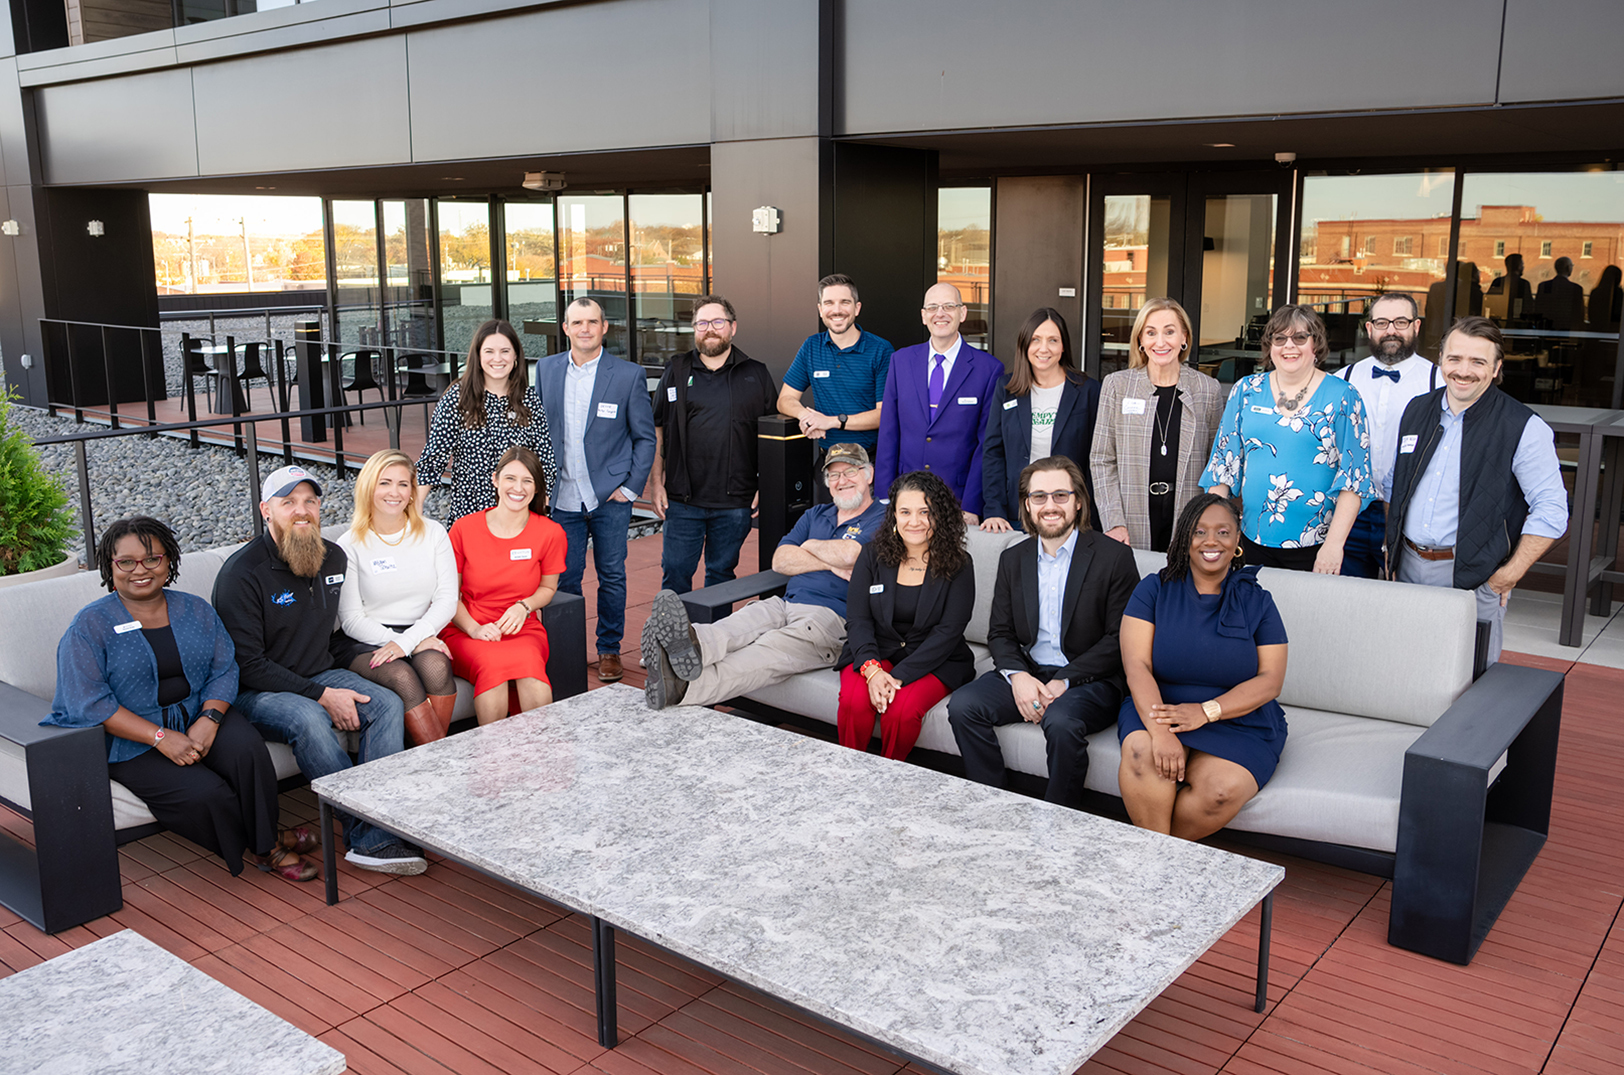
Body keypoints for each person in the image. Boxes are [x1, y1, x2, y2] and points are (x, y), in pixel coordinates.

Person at [48, 517, 317, 883]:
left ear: (169, 561)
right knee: (206, 794)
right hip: (130, 740)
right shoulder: (89, 626)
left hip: (195, 714)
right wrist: (160, 738)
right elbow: (90, 703)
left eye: (152, 559)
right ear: (110, 567)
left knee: (247, 751)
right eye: (126, 562)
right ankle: (264, 841)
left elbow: (224, 668)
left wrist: (209, 719)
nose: (140, 570)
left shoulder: (195, 610)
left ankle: (266, 844)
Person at [213, 465, 423, 876]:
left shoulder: (332, 557)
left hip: (317, 673)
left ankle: (384, 819)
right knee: (309, 718)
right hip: (256, 691)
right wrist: (323, 696)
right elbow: (247, 665)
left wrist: (407, 643)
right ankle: (370, 836)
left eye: (310, 500)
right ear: (266, 510)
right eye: (288, 502)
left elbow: (336, 634)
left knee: (385, 703)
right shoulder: (242, 574)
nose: (302, 510)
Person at [947, 456, 1139, 808]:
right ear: (1027, 505)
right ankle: (995, 806)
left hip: (1090, 680)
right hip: (1031, 670)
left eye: (1060, 495)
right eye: (1039, 497)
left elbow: (1120, 639)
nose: (1050, 506)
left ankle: (1057, 818)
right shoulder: (1014, 558)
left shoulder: (1114, 558)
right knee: (964, 705)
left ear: (1078, 501)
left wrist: (1063, 682)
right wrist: (1018, 676)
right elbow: (1000, 632)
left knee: (1060, 720)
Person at [642, 444, 886, 709]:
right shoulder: (815, 514)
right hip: (785, 604)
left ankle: (682, 688)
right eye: (834, 475)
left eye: (850, 471)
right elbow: (780, 560)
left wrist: (808, 545)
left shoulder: (883, 518)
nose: (842, 480)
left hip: (830, 618)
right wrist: (829, 562)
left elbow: (851, 554)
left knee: (764, 651)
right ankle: (683, 647)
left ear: (869, 474)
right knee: (734, 626)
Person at [1385, 317, 1567, 664]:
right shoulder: (1417, 410)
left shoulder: (1523, 426)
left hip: (1475, 577)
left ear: (1496, 368)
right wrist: (1391, 549)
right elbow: (1396, 483)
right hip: (1406, 568)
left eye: (1478, 362)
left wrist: (1505, 578)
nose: (1463, 371)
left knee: (1468, 679)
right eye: (1455, 358)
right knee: (1403, 668)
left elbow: (1552, 510)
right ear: (1441, 360)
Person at [1116, 494, 1289, 839]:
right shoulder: (1154, 589)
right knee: (1142, 754)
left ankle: (1155, 855)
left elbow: (1271, 680)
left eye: (1223, 532)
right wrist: (1160, 733)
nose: (1212, 541)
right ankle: (1159, 860)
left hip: (1238, 719)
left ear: (1237, 540)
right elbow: (1136, 666)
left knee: (1221, 791)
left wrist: (1205, 711)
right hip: (1161, 706)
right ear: (1185, 538)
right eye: (1199, 531)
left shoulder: (1258, 601)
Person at [534, 297, 656, 683]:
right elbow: (539, 430)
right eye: (577, 322)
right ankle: (566, 651)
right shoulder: (546, 369)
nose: (584, 329)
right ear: (565, 328)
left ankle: (609, 650)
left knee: (612, 576)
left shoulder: (628, 375)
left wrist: (631, 488)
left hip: (609, 496)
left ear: (604, 327)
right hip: (562, 497)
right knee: (565, 579)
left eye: (592, 322)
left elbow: (645, 438)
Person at [1201, 304, 1375, 573]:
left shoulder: (1343, 396)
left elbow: (1354, 478)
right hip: (1249, 538)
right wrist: (1216, 532)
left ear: (1316, 344)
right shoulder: (1245, 390)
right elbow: (1223, 466)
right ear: (1270, 346)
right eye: (1280, 338)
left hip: (1316, 546)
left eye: (1300, 337)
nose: (1289, 346)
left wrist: (1333, 546)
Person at [836, 471, 975, 761]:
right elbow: (859, 619)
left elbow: (949, 631)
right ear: (894, 516)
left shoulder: (959, 563)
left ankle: (890, 775)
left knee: (901, 711)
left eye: (925, 512)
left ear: (940, 515)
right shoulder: (871, 555)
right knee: (854, 702)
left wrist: (895, 678)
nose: (915, 521)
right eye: (905, 512)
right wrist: (873, 670)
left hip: (935, 658)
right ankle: (849, 773)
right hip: (876, 650)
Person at [649, 295, 779, 593]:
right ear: (694, 329)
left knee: (721, 576)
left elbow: (771, 434)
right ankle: (674, 627)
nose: (710, 329)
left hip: (735, 501)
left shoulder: (756, 373)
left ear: (733, 327)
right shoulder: (676, 371)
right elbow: (657, 428)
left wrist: (765, 484)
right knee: (675, 574)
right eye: (702, 323)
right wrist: (656, 483)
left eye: (718, 322)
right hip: (683, 499)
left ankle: (717, 627)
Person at [337, 449, 458, 746]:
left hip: (419, 630)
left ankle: (427, 759)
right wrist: (403, 643)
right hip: (365, 640)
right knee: (402, 676)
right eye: (385, 483)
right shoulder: (349, 544)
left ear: (412, 491)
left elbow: (447, 599)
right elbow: (351, 619)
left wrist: (410, 640)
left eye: (403, 484)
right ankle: (441, 760)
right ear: (368, 487)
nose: (395, 492)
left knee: (436, 667)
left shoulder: (433, 532)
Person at [441, 446, 567, 723]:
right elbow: (448, 595)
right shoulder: (463, 529)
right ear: (495, 480)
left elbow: (548, 588)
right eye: (510, 478)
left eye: (527, 481)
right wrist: (474, 629)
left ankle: (539, 744)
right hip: (468, 627)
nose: (518, 488)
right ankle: (494, 748)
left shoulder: (550, 533)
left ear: (537, 488)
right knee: (493, 667)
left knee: (532, 670)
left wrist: (524, 606)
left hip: (523, 628)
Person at [1089, 298, 1224, 552]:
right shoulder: (1117, 386)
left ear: (1184, 338)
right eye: (1151, 333)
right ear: (1140, 340)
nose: (1160, 342)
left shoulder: (1207, 390)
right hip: (1129, 519)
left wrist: (1209, 522)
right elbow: (1101, 460)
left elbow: (1216, 463)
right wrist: (1113, 522)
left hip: (1190, 517)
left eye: (1169, 332)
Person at [1331, 293, 1441, 578]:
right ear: (1369, 329)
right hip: (1351, 512)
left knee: (1404, 596)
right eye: (1382, 322)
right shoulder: (1342, 380)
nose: (1391, 330)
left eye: (1400, 322)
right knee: (1346, 595)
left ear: (1416, 326)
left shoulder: (1439, 382)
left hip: (1409, 514)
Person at [875, 282, 1003, 524]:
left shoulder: (988, 369)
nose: (940, 314)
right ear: (923, 316)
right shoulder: (901, 361)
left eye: (949, 306)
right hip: (906, 496)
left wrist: (972, 505)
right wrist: (884, 496)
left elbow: (985, 445)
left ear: (962, 313)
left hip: (957, 500)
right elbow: (889, 432)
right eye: (932, 307)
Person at [415, 319, 557, 523]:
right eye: (489, 351)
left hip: (519, 516)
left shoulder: (528, 400)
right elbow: (433, 458)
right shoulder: (457, 399)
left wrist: (542, 507)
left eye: (505, 351)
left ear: (516, 356)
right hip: (472, 516)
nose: (497, 359)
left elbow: (545, 460)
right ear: (478, 355)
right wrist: (415, 510)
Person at [980, 308, 1102, 534]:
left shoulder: (1088, 390)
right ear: (1024, 344)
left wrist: (1091, 514)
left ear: (1063, 346)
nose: (1043, 348)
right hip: (1016, 514)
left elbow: (1097, 458)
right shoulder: (1006, 389)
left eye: (1053, 340)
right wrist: (994, 509)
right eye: (1035, 339)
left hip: (1069, 514)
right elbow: (993, 453)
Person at [778, 274, 894, 472]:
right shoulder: (811, 347)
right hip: (829, 461)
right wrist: (806, 417)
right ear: (820, 309)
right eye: (829, 303)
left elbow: (884, 414)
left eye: (845, 302)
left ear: (857, 308)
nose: (837, 310)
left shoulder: (881, 350)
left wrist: (831, 421)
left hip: (870, 462)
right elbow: (784, 399)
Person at [1536, 256, 1586, 331]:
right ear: (1568, 268)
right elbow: (1579, 314)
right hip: (1568, 328)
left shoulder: (1543, 286)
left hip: (1546, 328)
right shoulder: (1576, 288)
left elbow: (1538, 308)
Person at [1486, 253, 1532, 320]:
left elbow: (1489, 302)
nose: (1523, 267)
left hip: (1498, 319)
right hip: (1518, 321)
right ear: (1518, 266)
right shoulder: (1524, 284)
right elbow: (1529, 306)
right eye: (1522, 265)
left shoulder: (1497, 282)